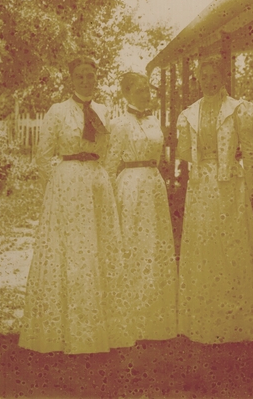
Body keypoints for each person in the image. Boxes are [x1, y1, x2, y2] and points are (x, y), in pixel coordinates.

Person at [19, 56, 134, 354]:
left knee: (99, 249)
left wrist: (102, 180)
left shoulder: (104, 111)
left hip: (97, 183)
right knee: (71, 251)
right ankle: (65, 330)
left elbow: (108, 153)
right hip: (68, 184)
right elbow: (43, 156)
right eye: (81, 76)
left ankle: (100, 330)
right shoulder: (58, 111)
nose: (86, 81)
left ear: (96, 78)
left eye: (91, 76)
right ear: (71, 79)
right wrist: (57, 186)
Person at [176, 56, 253, 344]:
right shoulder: (189, 113)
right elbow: (187, 155)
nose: (208, 80)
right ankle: (206, 320)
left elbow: (251, 152)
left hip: (230, 186)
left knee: (233, 249)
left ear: (223, 77)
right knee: (205, 247)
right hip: (200, 188)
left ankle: (239, 322)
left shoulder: (238, 110)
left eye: (213, 75)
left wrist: (249, 192)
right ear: (198, 79)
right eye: (203, 76)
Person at [105, 72, 177, 342]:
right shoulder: (120, 124)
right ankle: (130, 318)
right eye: (139, 91)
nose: (146, 95)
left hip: (154, 185)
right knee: (134, 246)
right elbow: (110, 166)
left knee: (155, 246)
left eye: (147, 90)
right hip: (131, 187)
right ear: (126, 94)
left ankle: (155, 319)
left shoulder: (154, 122)